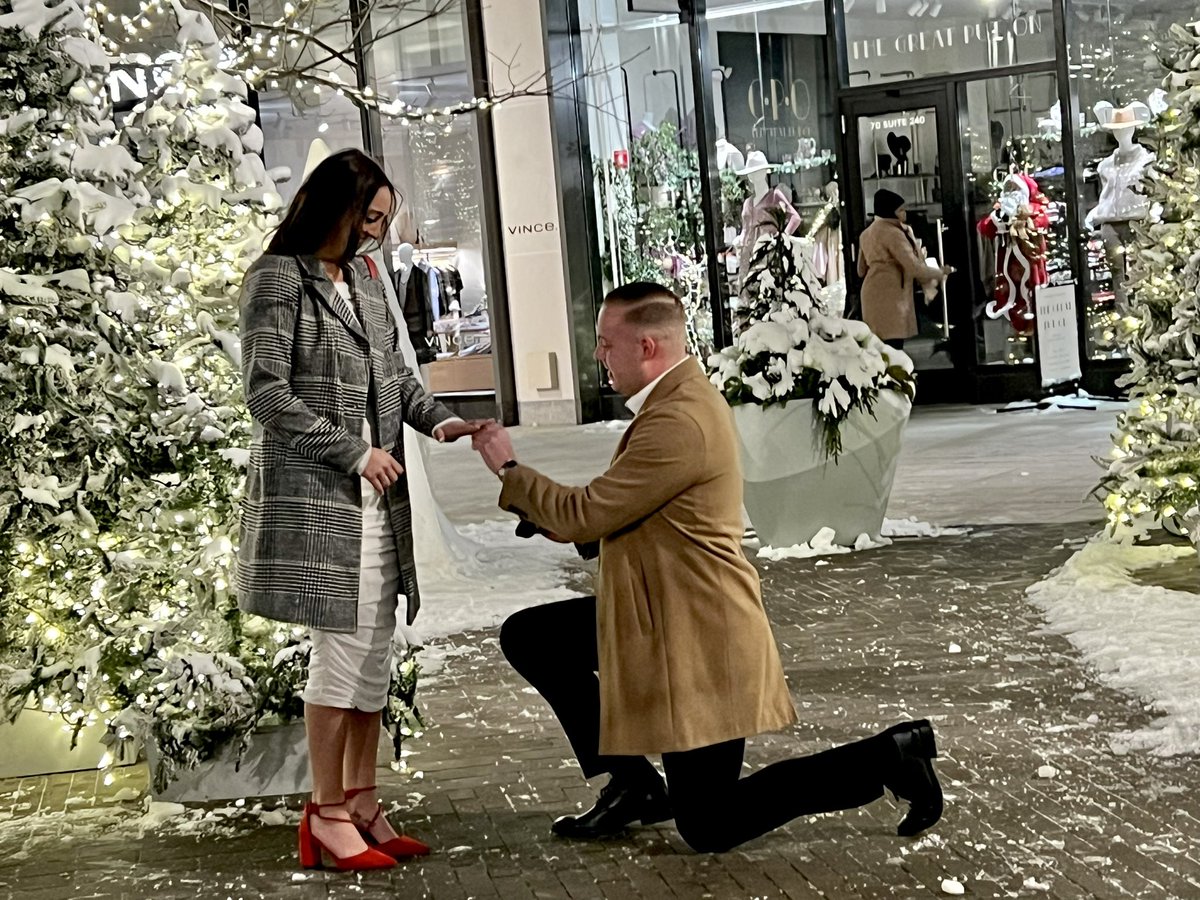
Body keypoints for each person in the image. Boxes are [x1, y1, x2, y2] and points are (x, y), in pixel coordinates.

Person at [471, 282, 944, 853]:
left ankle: (890, 757)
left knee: (711, 823)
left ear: (647, 347)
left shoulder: (679, 420)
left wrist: (509, 468)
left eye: (605, 343)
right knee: (535, 636)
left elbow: (588, 511)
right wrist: (578, 528)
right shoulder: (673, 404)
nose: (599, 355)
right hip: (657, 617)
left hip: (699, 640)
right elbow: (631, 511)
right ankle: (636, 785)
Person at [237, 148, 485, 870]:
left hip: (380, 498)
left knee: (374, 652)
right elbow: (267, 394)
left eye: (382, 221)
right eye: (367, 219)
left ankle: (364, 800)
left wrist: (443, 421)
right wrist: (353, 451)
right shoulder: (279, 279)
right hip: (325, 499)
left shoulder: (368, 276)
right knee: (339, 653)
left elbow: (398, 381)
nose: (377, 234)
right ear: (334, 210)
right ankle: (325, 810)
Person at [857, 189, 951, 350]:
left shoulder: (866, 233)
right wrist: (940, 272)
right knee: (894, 348)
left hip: (871, 294)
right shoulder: (894, 233)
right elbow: (913, 266)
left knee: (879, 350)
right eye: (900, 209)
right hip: (892, 295)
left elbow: (860, 270)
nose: (904, 212)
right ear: (890, 212)